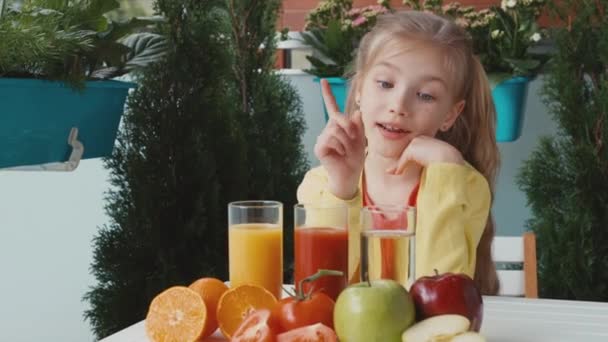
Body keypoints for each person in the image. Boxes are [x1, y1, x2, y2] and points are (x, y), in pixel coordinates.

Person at [297, 10, 499, 295]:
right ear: (359, 91)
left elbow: (443, 299)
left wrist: (445, 168)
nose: (399, 105)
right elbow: (318, 292)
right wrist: (342, 191)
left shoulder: (464, 185)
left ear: (450, 115)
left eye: (426, 95)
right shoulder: (321, 185)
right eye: (385, 84)